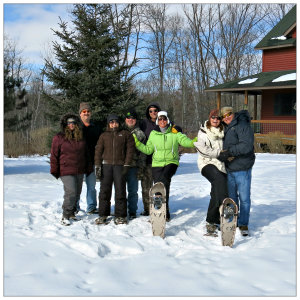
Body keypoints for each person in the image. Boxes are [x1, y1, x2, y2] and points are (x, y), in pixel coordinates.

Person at [133, 111, 195, 221]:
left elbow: (185, 141)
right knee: (162, 186)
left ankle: (158, 199)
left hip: (171, 162)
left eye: (164, 119)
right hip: (157, 163)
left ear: (167, 120)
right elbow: (148, 150)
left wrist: (194, 141)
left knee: (164, 180)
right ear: (157, 121)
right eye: (160, 119)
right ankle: (164, 212)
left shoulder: (174, 132)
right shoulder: (153, 134)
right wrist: (138, 144)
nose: (162, 121)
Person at [219, 106, 255, 236]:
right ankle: (233, 221)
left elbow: (246, 145)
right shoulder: (227, 127)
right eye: (223, 116)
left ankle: (243, 223)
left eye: (228, 114)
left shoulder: (242, 124)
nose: (226, 117)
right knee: (232, 198)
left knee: (244, 198)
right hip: (230, 168)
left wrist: (229, 152)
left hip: (242, 168)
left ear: (233, 113)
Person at [50, 113, 93, 226]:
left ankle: (72, 214)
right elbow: (54, 155)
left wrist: (88, 168)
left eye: (73, 123)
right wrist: (55, 170)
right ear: (65, 124)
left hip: (79, 169)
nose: (71, 125)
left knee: (77, 193)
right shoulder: (59, 137)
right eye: (69, 123)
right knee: (71, 192)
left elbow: (86, 154)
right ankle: (65, 215)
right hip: (66, 169)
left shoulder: (80, 137)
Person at [94, 114, 135, 225]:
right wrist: (97, 166)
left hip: (120, 167)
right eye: (111, 122)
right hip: (106, 166)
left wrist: (127, 165)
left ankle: (120, 216)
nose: (114, 124)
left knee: (120, 191)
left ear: (119, 122)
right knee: (104, 192)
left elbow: (130, 151)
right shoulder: (104, 135)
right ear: (108, 123)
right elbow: (98, 151)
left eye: (115, 122)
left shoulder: (125, 134)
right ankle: (103, 215)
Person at [194, 109, 229, 235]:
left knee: (216, 190)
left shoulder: (224, 130)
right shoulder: (203, 131)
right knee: (219, 179)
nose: (215, 120)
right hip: (206, 163)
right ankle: (225, 206)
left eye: (218, 118)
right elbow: (202, 149)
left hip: (221, 165)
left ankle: (211, 221)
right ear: (209, 118)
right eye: (213, 117)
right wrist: (219, 154)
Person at [78, 102, 102, 214]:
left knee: (91, 186)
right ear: (80, 114)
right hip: (79, 162)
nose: (86, 113)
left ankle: (91, 207)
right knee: (77, 186)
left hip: (92, 161)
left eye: (88, 111)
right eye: (84, 112)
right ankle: (74, 207)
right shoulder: (76, 128)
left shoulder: (96, 128)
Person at [124, 108, 147, 219]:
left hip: (133, 166)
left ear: (136, 120)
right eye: (128, 118)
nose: (130, 120)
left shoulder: (140, 134)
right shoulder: (121, 132)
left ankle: (132, 211)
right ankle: (122, 210)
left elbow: (143, 153)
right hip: (121, 166)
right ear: (125, 120)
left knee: (133, 190)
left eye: (132, 118)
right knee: (120, 190)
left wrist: (141, 169)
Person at [139, 102, 161, 216]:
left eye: (155, 110)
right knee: (146, 186)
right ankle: (147, 209)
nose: (153, 113)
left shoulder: (163, 122)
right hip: (147, 159)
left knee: (159, 186)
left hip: (160, 160)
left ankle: (159, 208)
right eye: (150, 111)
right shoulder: (144, 123)